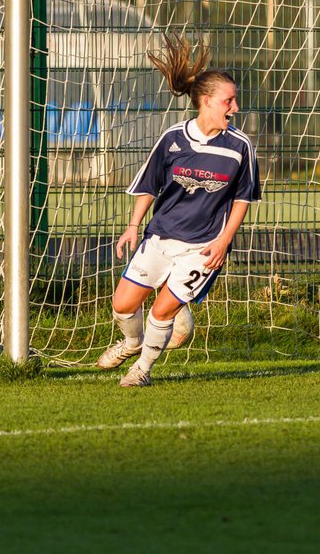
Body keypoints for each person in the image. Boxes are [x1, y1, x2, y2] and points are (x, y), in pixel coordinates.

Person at [96, 35, 261, 386]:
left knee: (161, 310)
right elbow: (148, 185)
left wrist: (223, 242)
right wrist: (133, 225)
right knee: (123, 305)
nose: (234, 107)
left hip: (203, 248)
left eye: (234, 100)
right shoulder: (173, 138)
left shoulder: (240, 146)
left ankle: (141, 369)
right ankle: (131, 342)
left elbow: (243, 199)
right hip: (160, 237)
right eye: (228, 101)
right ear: (206, 101)